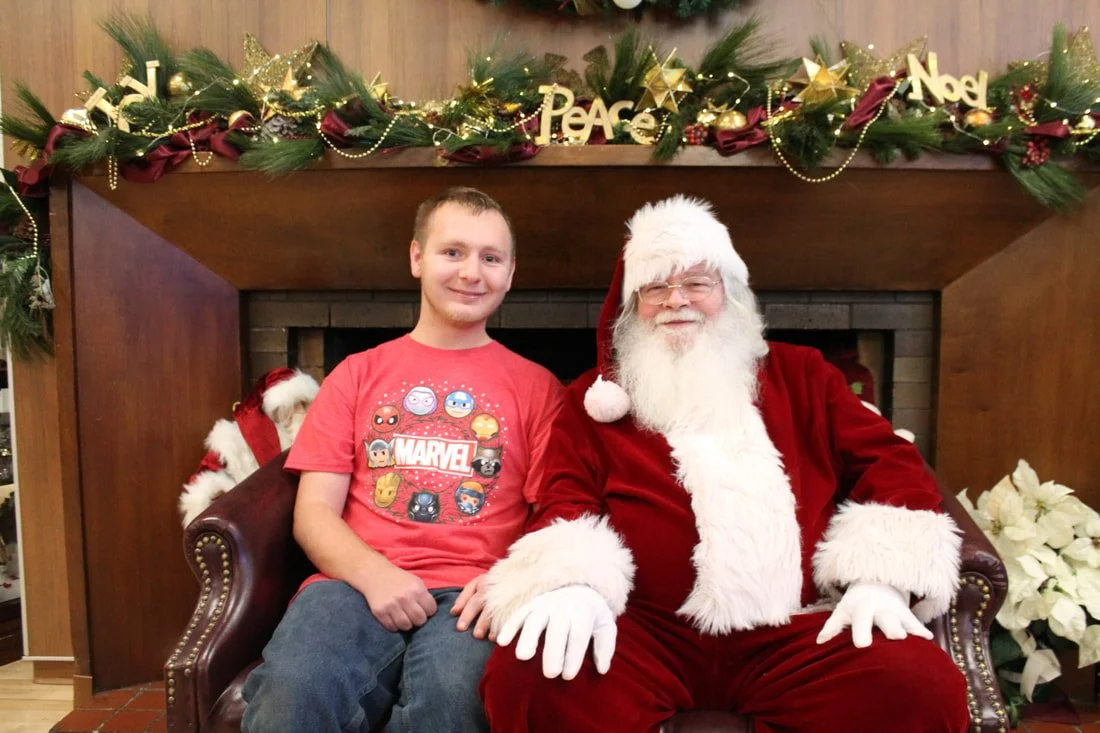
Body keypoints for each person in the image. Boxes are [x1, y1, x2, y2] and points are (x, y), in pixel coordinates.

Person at [479, 195, 969, 732]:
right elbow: (564, 496)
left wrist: (879, 579)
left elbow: (890, 462)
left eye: (696, 283)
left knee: (919, 686)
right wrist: (571, 583)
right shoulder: (592, 402)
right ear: (632, 306)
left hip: (795, 631)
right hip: (643, 633)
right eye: (655, 287)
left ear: (729, 294)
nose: (675, 300)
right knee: (528, 677)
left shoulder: (805, 376)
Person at [242, 187, 563, 733]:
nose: (471, 272)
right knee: (296, 690)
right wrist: (374, 575)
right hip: (350, 585)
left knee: (457, 702)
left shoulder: (538, 388)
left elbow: (557, 514)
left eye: (491, 258)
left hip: (475, 594)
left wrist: (514, 580)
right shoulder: (358, 374)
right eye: (452, 252)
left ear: (510, 273)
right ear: (417, 257)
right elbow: (314, 511)